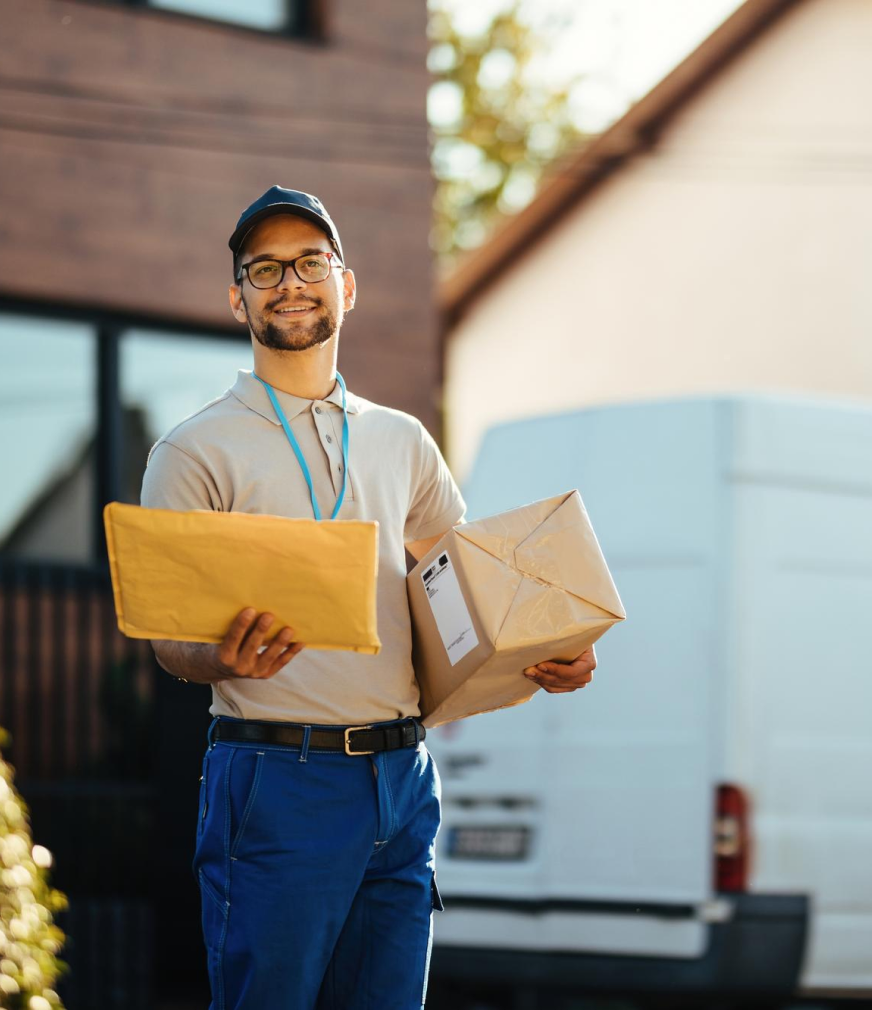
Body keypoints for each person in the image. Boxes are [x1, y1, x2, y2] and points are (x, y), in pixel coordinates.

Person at [140, 185, 598, 1010]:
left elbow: (465, 595)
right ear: (236, 295)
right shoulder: (193, 450)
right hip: (279, 777)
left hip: (403, 778)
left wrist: (543, 647)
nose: (291, 282)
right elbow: (168, 640)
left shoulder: (402, 440)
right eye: (266, 267)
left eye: (311, 262)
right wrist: (218, 655)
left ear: (346, 286)